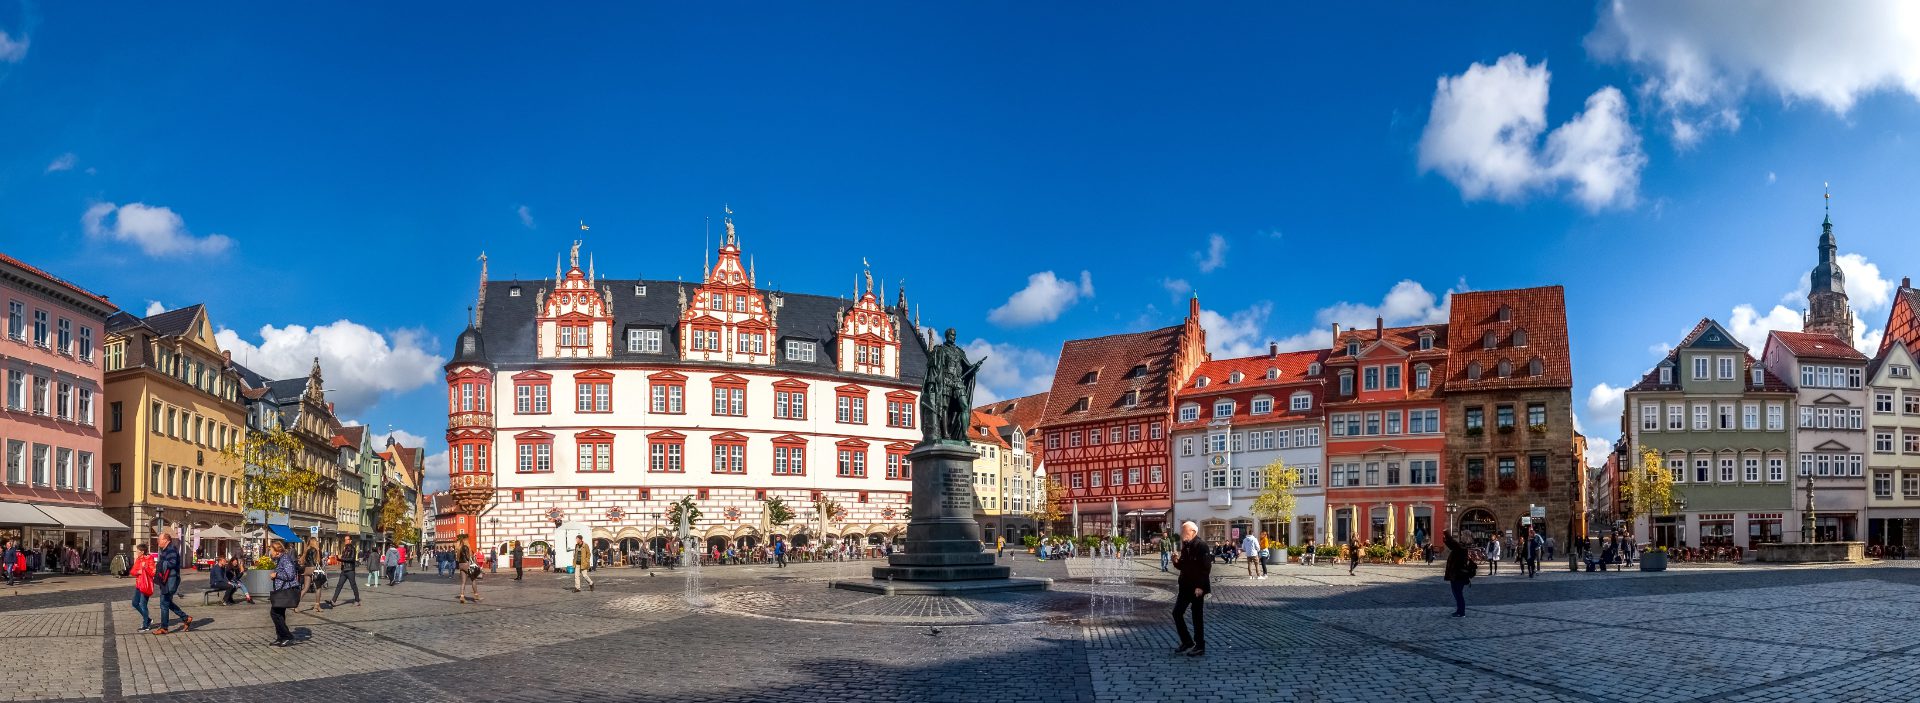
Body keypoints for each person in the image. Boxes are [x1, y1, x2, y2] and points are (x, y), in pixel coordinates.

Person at [1170, 520, 1210, 657]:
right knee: (1177, 613)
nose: (1181, 534)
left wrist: (1200, 586)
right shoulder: (1186, 546)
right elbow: (1183, 566)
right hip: (1185, 586)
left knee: (1196, 616)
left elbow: (1205, 568)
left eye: (1184, 531)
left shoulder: (1201, 546)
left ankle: (1200, 646)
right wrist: (1176, 561)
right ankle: (1187, 641)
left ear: (1193, 531)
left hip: (1197, 588)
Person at [152, 531, 192, 635]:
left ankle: (164, 628)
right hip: (166, 580)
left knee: (164, 603)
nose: (157, 541)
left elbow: (172, 563)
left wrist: (160, 564)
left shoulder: (171, 550)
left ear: (166, 540)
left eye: (159, 539)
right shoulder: (165, 550)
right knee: (166, 602)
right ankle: (186, 618)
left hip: (171, 580)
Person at [267, 541, 300, 647]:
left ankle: (288, 636)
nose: (270, 552)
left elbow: (290, 575)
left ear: (277, 551)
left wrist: (276, 574)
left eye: (271, 550)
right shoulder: (280, 559)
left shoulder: (285, 559)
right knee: (279, 614)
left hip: (285, 590)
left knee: (275, 613)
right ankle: (280, 637)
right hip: (281, 590)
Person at [1443, 529, 1474, 617]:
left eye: (1462, 534)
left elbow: (1453, 544)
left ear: (1465, 536)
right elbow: (1452, 545)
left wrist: (1446, 533)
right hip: (1458, 574)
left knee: (1458, 593)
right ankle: (1460, 611)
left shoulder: (1462, 547)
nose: (1461, 536)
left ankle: (1461, 612)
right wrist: (1445, 538)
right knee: (1457, 593)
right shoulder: (1461, 547)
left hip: (1458, 575)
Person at [129, 543, 156, 633]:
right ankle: (147, 619)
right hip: (139, 585)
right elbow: (132, 571)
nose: (136, 552)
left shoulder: (150, 559)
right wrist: (139, 571)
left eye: (138, 551)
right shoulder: (138, 559)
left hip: (146, 585)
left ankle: (146, 625)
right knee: (135, 603)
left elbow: (153, 573)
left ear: (142, 551)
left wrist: (145, 569)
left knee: (143, 604)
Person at [328, 539, 362, 607]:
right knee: (339, 585)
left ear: (350, 540)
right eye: (345, 540)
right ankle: (333, 601)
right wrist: (338, 558)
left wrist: (341, 558)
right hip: (344, 570)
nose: (345, 541)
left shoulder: (353, 549)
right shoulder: (345, 548)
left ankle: (357, 600)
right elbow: (343, 558)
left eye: (347, 539)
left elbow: (351, 559)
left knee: (353, 585)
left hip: (350, 570)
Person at [456, 535, 482, 604]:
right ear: (466, 541)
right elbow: (468, 557)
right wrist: (472, 556)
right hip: (466, 564)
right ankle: (476, 594)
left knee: (463, 582)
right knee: (473, 579)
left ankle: (462, 596)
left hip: (461, 565)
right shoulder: (465, 547)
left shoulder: (459, 548)